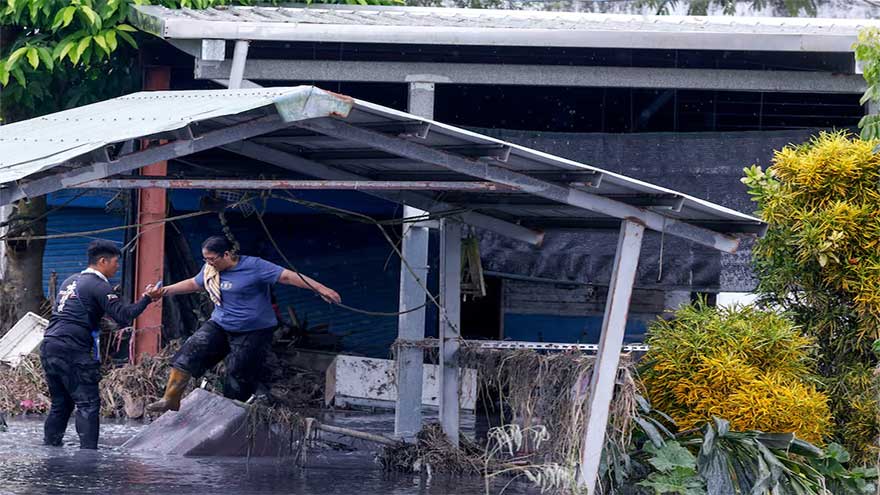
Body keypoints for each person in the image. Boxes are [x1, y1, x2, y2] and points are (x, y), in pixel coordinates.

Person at [147, 235, 341, 413]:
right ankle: (170, 399)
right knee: (188, 353)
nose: (208, 263)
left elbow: (288, 277)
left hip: (254, 331)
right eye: (206, 259)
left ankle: (232, 411)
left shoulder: (255, 266)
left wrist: (320, 288)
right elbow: (194, 283)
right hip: (221, 324)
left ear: (227, 254)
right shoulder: (210, 269)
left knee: (237, 372)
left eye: (212, 259)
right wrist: (163, 292)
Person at [41, 240, 163, 449]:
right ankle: (89, 459)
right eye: (115, 262)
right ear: (102, 261)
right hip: (72, 349)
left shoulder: (71, 280)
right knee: (88, 404)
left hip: (49, 345)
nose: (117, 267)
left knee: (61, 404)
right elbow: (124, 317)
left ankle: (50, 449)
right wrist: (146, 298)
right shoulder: (98, 285)